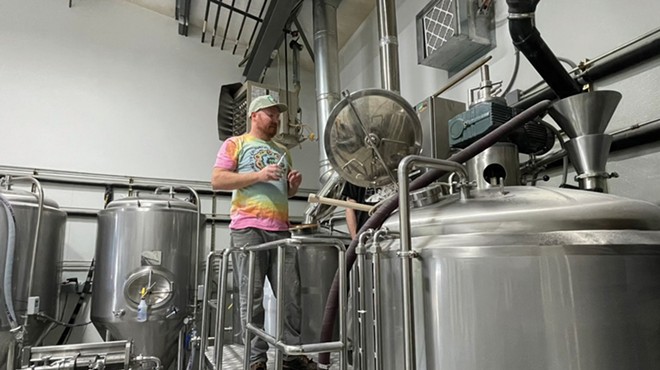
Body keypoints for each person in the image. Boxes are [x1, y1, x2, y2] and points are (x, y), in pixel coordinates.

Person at [211, 95, 316, 370]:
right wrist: (258, 175)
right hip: (248, 229)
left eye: (278, 115)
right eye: (271, 114)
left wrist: (292, 186)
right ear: (254, 115)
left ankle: (292, 353)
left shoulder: (283, 150)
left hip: (281, 230)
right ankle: (256, 359)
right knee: (252, 296)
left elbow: (284, 191)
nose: (277, 120)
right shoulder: (236, 144)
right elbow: (217, 180)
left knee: (291, 295)